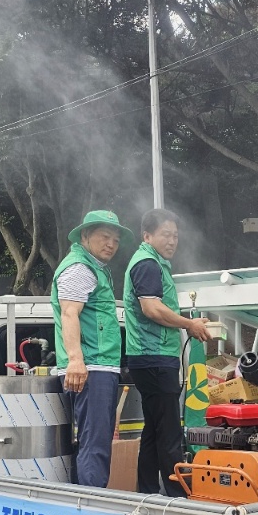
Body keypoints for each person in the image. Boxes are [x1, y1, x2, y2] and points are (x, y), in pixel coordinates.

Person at [123, 208, 211, 496]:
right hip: (155, 357)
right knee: (169, 431)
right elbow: (151, 308)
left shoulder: (151, 263)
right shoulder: (148, 263)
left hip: (148, 357)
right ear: (147, 236)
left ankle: (148, 491)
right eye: (166, 235)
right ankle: (178, 496)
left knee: (153, 430)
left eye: (175, 235)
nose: (173, 241)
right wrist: (189, 324)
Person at [52, 210, 133, 488]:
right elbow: (69, 314)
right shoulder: (80, 268)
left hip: (96, 367)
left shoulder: (92, 268)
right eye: (104, 236)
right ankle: (92, 509)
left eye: (116, 239)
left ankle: (85, 502)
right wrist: (76, 360)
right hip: (92, 368)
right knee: (95, 443)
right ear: (85, 236)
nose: (111, 243)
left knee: (91, 441)